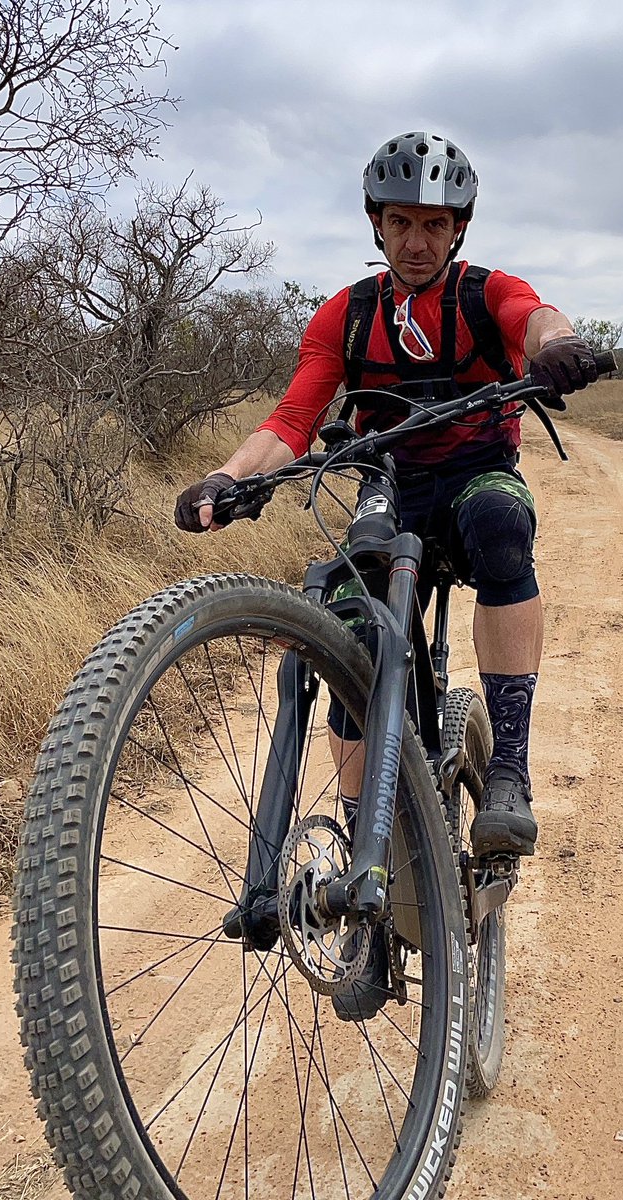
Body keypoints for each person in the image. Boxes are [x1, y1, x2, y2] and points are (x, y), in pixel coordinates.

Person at [175, 130, 596, 864]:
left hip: (478, 472)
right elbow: (292, 419)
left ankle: (506, 774)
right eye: (400, 222)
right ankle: (364, 840)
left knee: (500, 523)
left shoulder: (484, 291)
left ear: (458, 227)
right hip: (387, 486)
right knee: (351, 631)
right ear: (377, 223)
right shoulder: (346, 313)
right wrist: (228, 477)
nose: (415, 241)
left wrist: (557, 346)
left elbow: (536, 319)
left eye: (433, 223)